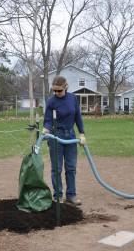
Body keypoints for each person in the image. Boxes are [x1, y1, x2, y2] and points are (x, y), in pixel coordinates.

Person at [43, 75, 86, 205]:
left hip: (71, 137)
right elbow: (48, 120)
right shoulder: (51, 102)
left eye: (59, 91)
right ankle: (58, 196)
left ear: (65, 88)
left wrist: (82, 133)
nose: (56, 93)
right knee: (57, 168)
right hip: (56, 137)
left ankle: (71, 195)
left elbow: (78, 116)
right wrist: (46, 129)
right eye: (54, 91)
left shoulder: (73, 99)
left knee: (71, 167)